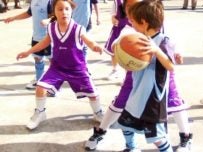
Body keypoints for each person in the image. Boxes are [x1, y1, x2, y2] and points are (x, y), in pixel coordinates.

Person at [85, 0, 192, 151]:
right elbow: (119, 45)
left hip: (153, 100)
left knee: (157, 138)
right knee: (125, 125)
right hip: (135, 95)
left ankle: (178, 142)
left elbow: (171, 66)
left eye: (133, 20)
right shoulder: (135, 37)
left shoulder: (163, 41)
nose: (129, 22)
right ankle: (131, 147)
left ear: (143, 22)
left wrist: (156, 51)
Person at [16, 0, 104, 130]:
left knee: (93, 94)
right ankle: (40, 113)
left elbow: (87, 40)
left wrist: (94, 46)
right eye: (60, 9)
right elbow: (43, 43)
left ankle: (98, 113)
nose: (64, 12)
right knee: (40, 87)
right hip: (57, 68)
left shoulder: (78, 28)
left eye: (67, 9)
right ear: (54, 12)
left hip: (77, 69)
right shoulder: (51, 28)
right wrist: (28, 51)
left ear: (71, 11)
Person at [4, 0, 53, 90]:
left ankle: (53, 84)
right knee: (37, 59)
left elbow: (56, 16)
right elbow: (28, 13)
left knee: (52, 61)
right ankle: (39, 81)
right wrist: (13, 18)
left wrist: (48, 20)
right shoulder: (33, 1)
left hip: (48, 37)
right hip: (36, 36)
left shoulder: (50, 1)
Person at [103, 0, 129, 80]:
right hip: (118, 29)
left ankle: (127, 75)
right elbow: (113, 17)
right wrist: (113, 19)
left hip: (130, 30)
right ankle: (115, 70)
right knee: (113, 51)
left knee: (128, 53)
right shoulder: (116, 2)